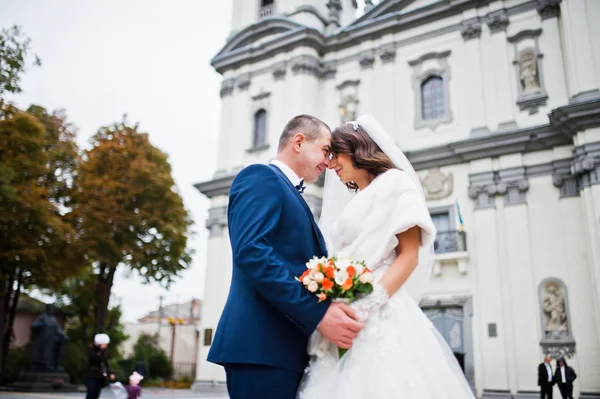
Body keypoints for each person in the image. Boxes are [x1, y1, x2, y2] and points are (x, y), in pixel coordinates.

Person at [297, 115, 474, 398]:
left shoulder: (395, 183)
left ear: (356, 148)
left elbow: (409, 255)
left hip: (379, 309)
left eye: (335, 155)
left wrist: (366, 307)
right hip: (345, 309)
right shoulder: (357, 200)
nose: (330, 165)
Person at [207, 115, 364, 399]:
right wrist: (318, 314)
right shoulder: (260, 177)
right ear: (299, 142)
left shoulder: (290, 192)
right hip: (261, 348)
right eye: (326, 151)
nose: (329, 162)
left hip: (285, 350)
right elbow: (252, 253)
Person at [85, 333, 111, 399]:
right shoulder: (92, 351)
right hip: (92, 376)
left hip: (99, 377)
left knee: (96, 395)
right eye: (105, 344)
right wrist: (102, 352)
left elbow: (105, 364)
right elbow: (97, 359)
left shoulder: (102, 352)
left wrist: (110, 373)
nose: (106, 346)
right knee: (91, 394)